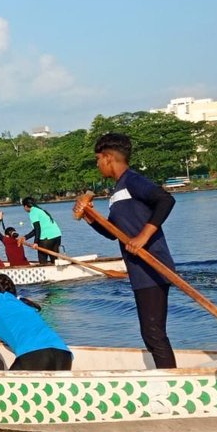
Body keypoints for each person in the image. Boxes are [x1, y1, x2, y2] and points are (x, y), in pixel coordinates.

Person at [74, 132, 178, 369]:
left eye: (98, 159)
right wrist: (90, 217)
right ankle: (169, 375)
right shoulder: (118, 192)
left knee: (153, 333)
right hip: (138, 271)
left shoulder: (132, 180)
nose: (98, 165)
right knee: (150, 333)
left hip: (153, 265)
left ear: (109, 158)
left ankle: (173, 382)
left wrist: (143, 236)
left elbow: (165, 200)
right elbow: (112, 232)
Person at [0, 241, 71, 370]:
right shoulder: (24, 304)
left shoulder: (1, 299)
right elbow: (20, 334)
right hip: (63, 354)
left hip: (35, 355)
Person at [21, 197, 62, 264]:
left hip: (47, 238)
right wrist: (25, 237)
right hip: (57, 235)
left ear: (25, 206)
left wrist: (36, 242)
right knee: (55, 261)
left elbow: (37, 229)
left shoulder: (33, 212)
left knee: (42, 260)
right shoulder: (40, 210)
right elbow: (37, 229)